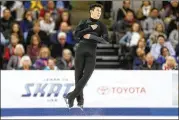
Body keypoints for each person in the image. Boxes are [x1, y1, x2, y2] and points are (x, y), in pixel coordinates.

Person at [63, 4, 109, 109]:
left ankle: (71, 96)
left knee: (87, 75)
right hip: (81, 49)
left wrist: (92, 36)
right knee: (78, 76)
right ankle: (80, 101)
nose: (99, 13)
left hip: (92, 50)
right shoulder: (83, 22)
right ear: (91, 11)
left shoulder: (102, 25)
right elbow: (76, 35)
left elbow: (106, 40)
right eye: (97, 11)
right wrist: (88, 29)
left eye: (100, 11)